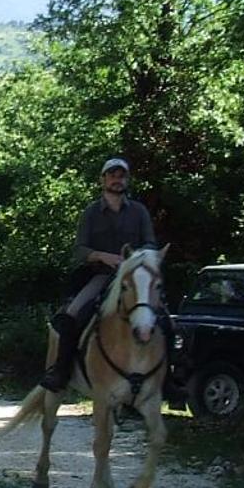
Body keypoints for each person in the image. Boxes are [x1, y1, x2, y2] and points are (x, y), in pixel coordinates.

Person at [38, 156, 158, 393]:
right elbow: (80, 250)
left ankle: (168, 378)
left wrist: (136, 258)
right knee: (71, 315)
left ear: (127, 179)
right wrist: (103, 256)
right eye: (112, 175)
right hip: (101, 276)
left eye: (121, 175)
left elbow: (151, 243)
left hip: (134, 278)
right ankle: (61, 371)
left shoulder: (139, 211)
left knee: (165, 317)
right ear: (103, 179)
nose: (117, 180)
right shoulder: (91, 213)